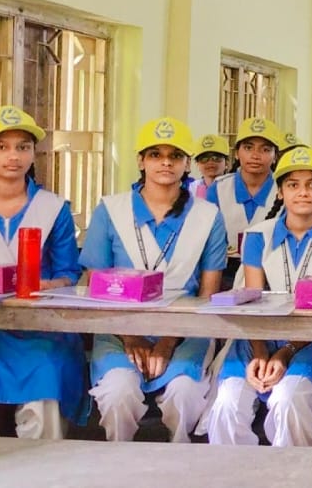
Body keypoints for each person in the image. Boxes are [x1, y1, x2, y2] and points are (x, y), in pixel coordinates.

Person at [81, 117, 227, 442]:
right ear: (141, 161)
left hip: (185, 328)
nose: (165, 162)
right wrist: (130, 337)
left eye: (174, 155)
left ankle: (180, 465)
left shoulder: (208, 216)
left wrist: (169, 340)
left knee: (185, 393)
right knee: (118, 392)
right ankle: (119, 466)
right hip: (118, 327)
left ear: (186, 163)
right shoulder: (110, 210)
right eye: (155, 154)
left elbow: (208, 294)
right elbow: (95, 285)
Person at [205, 147, 312, 446]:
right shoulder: (257, 235)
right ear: (280, 192)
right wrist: (261, 352)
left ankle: (292, 474)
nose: (303, 193)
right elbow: (252, 301)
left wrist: (285, 351)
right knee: (227, 404)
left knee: (288, 399)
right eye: (293, 185)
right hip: (256, 337)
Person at [0, 106, 84, 440]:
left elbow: (69, 272)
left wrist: (46, 284)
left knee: (44, 384)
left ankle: (44, 471)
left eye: (22, 147)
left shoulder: (53, 208)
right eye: (1, 146)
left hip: (41, 329)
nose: (13, 156)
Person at [209, 117, 283, 288]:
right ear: (236, 152)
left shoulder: (285, 188)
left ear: (275, 156)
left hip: (272, 274)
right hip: (225, 273)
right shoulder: (219, 188)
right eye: (248, 148)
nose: (255, 156)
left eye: (265, 149)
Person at [190, 134, 230, 201]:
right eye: (204, 159)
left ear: (227, 162)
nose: (210, 162)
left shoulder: (234, 187)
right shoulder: (192, 189)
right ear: (197, 164)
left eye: (216, 158)